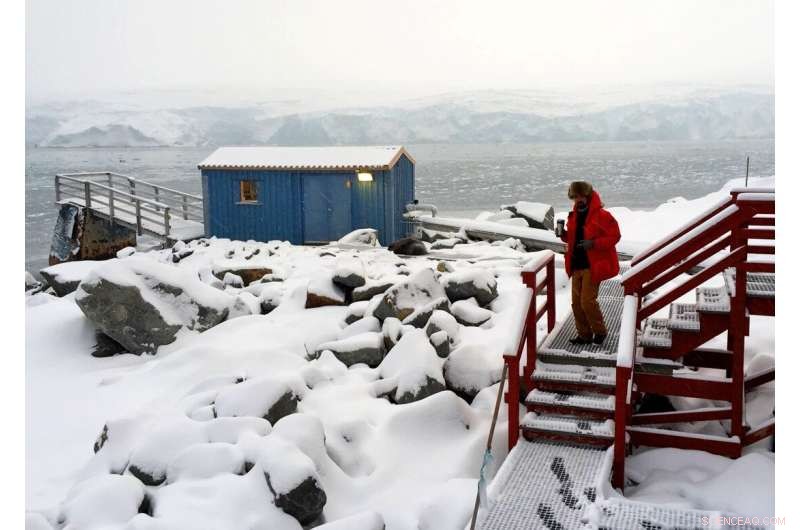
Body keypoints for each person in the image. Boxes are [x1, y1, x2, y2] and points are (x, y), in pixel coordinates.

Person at [558, 181, 621, 345]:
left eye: (581, 196)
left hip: (592, 266)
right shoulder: (574, 215)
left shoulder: (602, 215)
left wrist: (593, 244)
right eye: (575, 197)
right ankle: (584, 335)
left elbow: (615, 237)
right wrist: (563, 235)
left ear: (587, 195)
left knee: (587, 301)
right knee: (576, 304)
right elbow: (573, 238)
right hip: (576, 264)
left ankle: (599, 332)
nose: (578, 200)